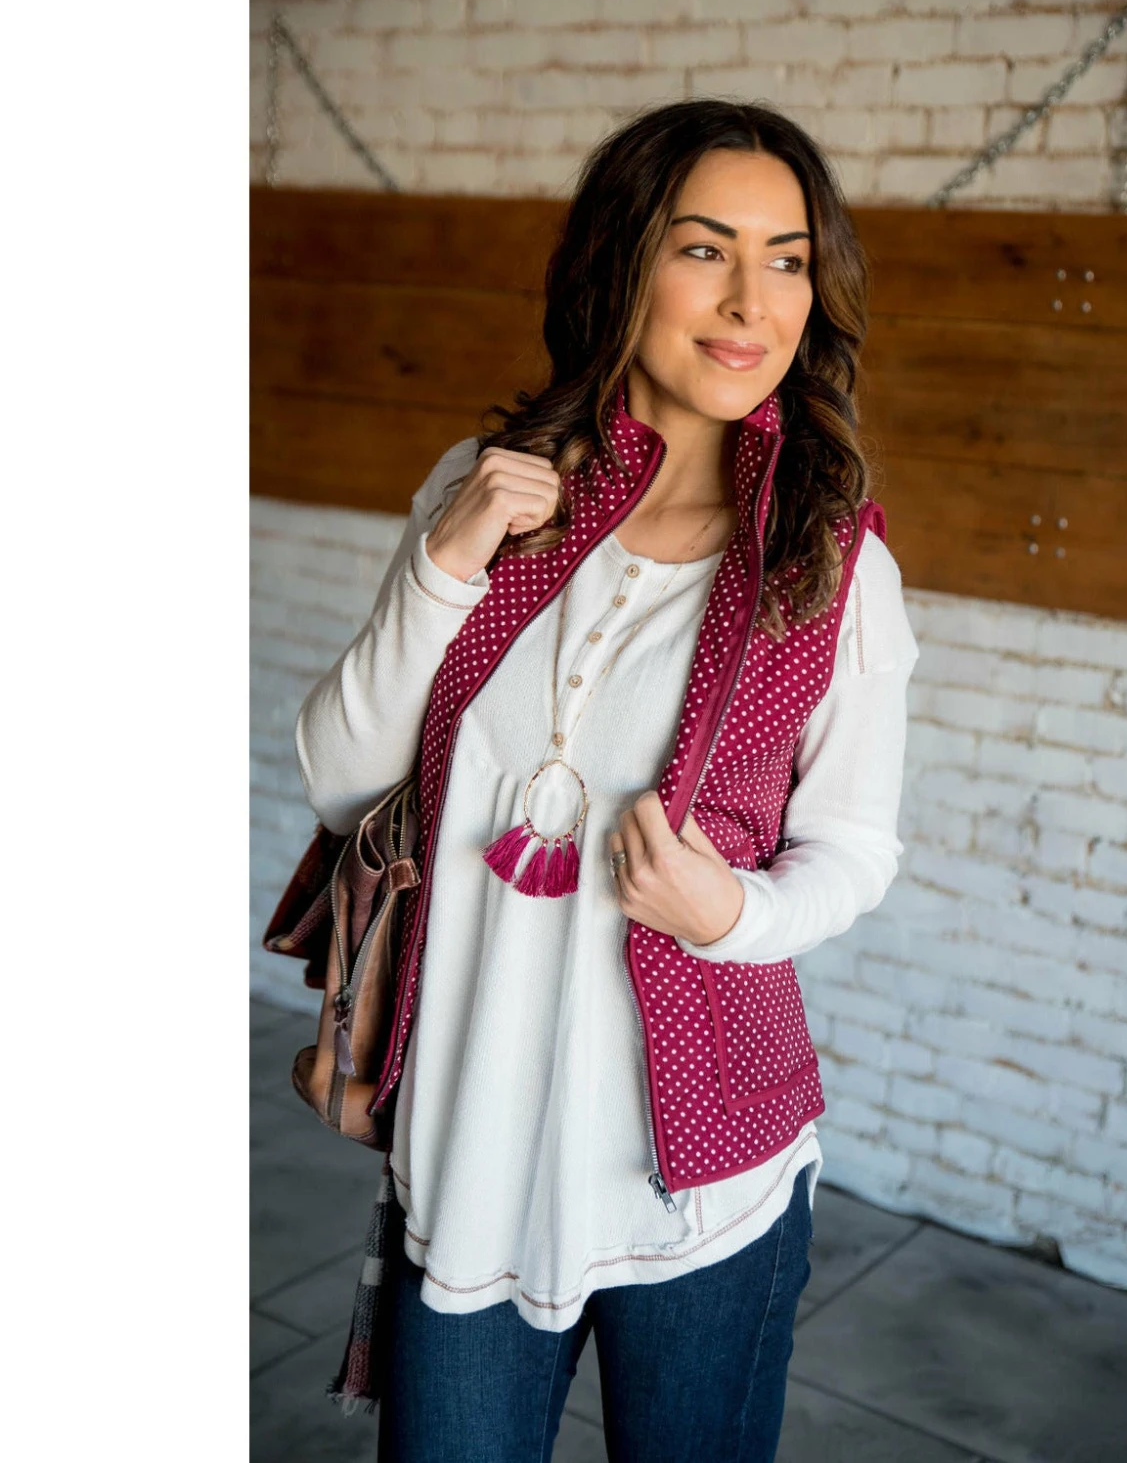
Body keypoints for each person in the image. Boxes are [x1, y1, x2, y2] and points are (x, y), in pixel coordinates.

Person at [294, 99, 920, 1463]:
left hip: (699, 1179)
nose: (752, 301)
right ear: (619, 262)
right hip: (468, 1151)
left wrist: (731, 914)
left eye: (789, 259)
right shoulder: (485, 492)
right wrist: (446, 558)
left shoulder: (831, 560)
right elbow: (342, 781)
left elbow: (856, 849)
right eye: (705, 249)